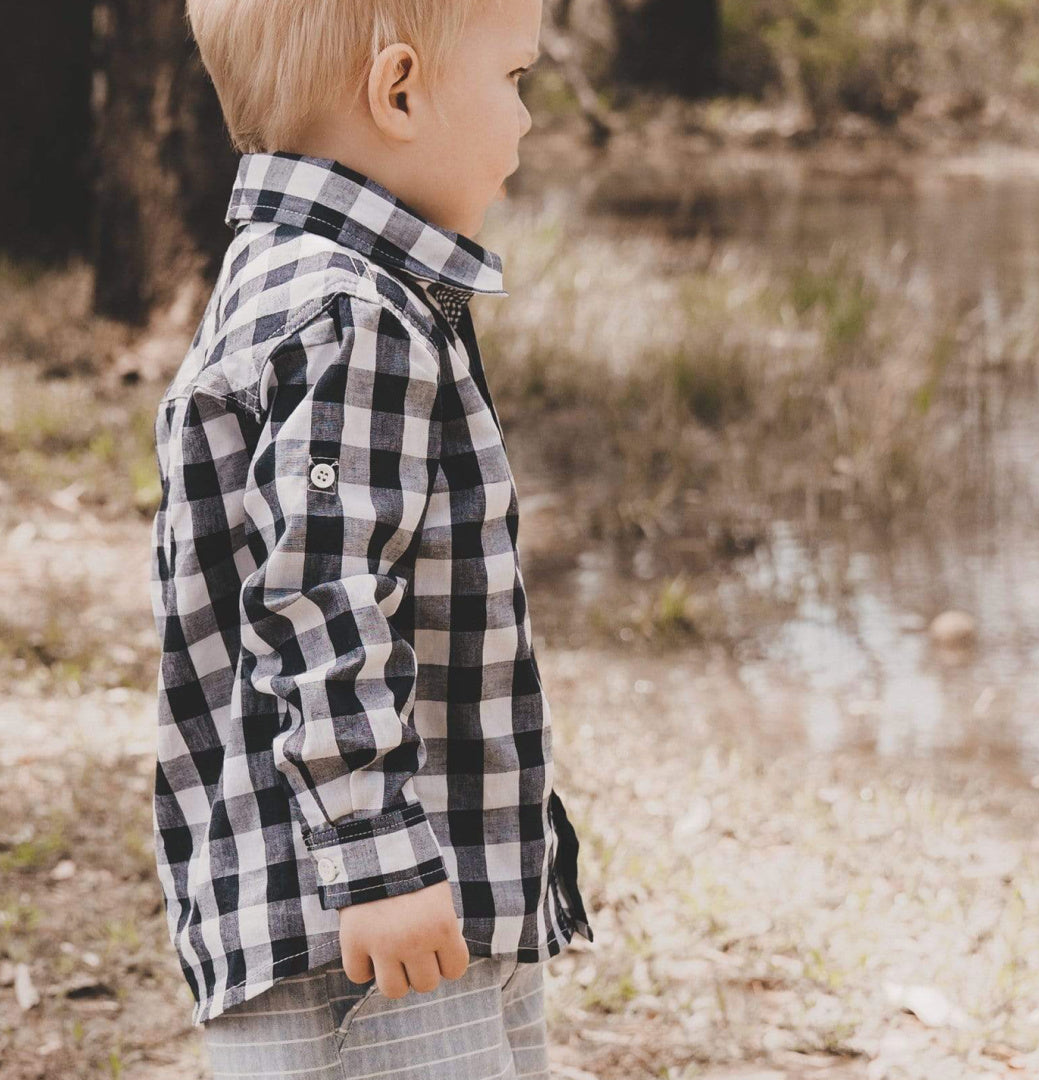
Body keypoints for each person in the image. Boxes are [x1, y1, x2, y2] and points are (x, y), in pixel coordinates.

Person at [146, 0, 595, 1076]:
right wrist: (380, 858)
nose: (527, 121)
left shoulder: (274, 275)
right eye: (514, 79)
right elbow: (319, 600)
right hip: (370, 915)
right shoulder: (356, 314)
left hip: (346, 895)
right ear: (399, 91)